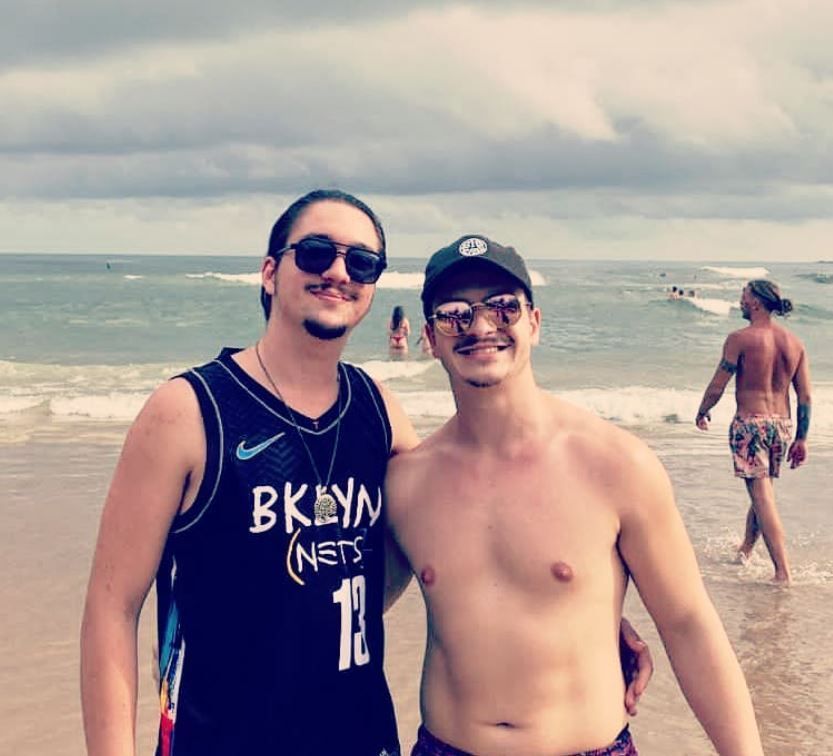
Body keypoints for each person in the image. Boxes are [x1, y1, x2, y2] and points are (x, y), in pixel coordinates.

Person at [80, 194, 650, 755]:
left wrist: (583, 609)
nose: (337, 271)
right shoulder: (189, 411)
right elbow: (112, 608)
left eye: (361, 262)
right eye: (316, 252)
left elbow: (464, 524)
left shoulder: (376, 410)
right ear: (270, 272)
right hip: (222, 737)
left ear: (372, 286)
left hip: (360, 735)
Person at [385, 236, 764, 755]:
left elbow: (687, 624)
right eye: (455, 314)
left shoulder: (615, 464)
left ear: (534, 323)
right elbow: (347, 610)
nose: (481, 326)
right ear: (430, 337)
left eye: (503, 307)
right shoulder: (408, 483)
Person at [695, 279, 811, 584]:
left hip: (750, 425)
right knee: (763, 491)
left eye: (744, 297)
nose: (741, 302)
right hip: (781, 426)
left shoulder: (740, 339)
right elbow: (805, 396)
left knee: (761, 495)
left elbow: (718, 384)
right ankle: (746, 548)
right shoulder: (794, 343)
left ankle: (782, 572)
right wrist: (801, 437)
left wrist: (703, 409)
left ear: (757, 302)